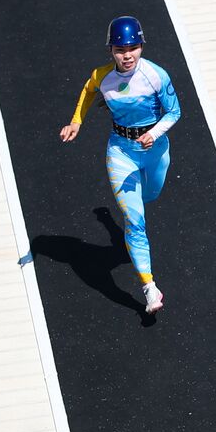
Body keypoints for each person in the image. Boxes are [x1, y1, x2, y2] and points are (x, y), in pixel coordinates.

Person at [61, 16, 181, 315]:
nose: (127, 55)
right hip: (121, 151)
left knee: (150, 195)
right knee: (135, 219)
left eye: (133, 48)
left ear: (141, 46)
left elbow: (175, 112)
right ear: (110, 50)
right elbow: (89, 90)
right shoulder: (102, 76)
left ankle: (112, 225)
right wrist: (77, 121)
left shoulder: (156, 75)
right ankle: (149, 288)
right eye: (119, 49)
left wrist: (153, 134)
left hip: (155, 149)